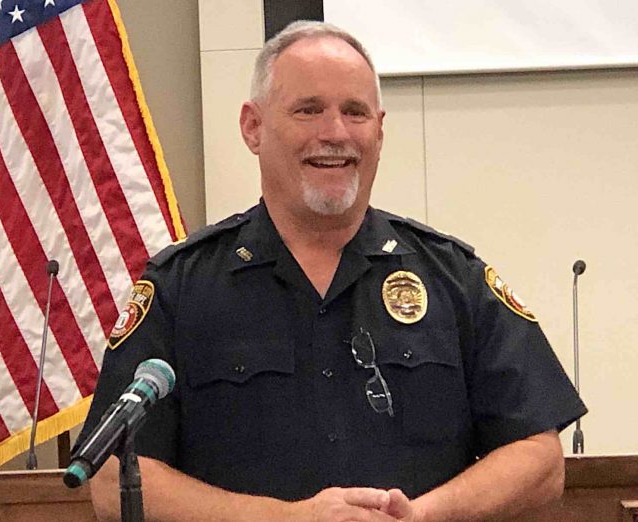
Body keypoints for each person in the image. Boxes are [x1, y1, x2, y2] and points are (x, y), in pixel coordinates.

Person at [76, 20, 587, 521]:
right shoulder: (181, 287)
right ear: (253, 127)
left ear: (380, 131)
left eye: (355, 112)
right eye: (309, 110)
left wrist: (423, 515)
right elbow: (112, 478)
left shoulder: (454, 279)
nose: (335, 133)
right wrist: (285, 520)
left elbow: (539, 460)